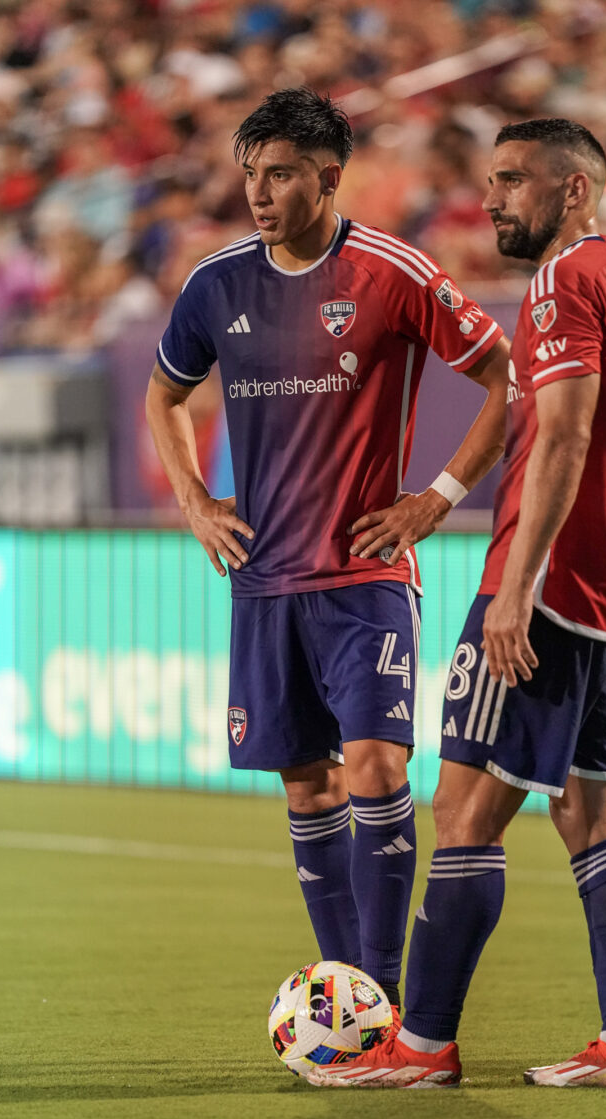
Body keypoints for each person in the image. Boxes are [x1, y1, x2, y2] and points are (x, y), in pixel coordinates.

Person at [308, 117, 606, 1089]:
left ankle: (423, 1047)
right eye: (491, 179)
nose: (494, 198)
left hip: (548, 592)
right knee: (594, 819)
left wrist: (516, 586)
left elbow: (561, 437)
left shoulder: (565, 282)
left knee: (464, 810)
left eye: (515, 179)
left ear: (575, 192)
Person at [145, 87, 510, 1018]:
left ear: (328, 176)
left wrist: (438, 495)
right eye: (250, 176)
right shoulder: (216, 282)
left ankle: (382, 999)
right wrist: (195, 500)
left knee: (379, 769)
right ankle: (352, 1009)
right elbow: (164, 394)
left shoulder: (392, 271)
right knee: (308, 787)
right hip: (262, 581)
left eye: (278, 175)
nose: (259, 194)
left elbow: (506, 375)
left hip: (365, 578)